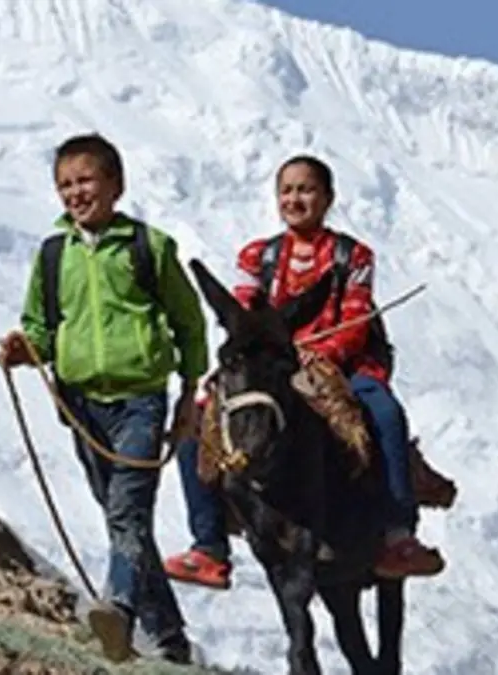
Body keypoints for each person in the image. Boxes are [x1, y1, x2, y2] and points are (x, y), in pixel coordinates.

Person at [164, 154, 445, 589]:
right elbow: (246, 314)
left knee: (385, 413)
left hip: (343, 365)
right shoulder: (258, 255)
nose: (295, 199)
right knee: (196, 426)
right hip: (272, 366)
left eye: (306, 189)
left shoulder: (354, 256)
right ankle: (209, 545)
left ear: (328, 198)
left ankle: (397, 532)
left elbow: (353, 320)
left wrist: (315, 353)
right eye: (287, 190)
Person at [0, 133, 208, 664]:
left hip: (141, 399)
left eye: (85, 180)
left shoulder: (148, 247)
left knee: (126, 511)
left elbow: (188, 322)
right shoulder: (52, 255)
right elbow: (41, 325)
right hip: (81, 404)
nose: (75, 193)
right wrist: (25, 349)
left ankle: (119, 612)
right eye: (65, 184)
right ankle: (172, 641)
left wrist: (189, 392)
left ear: (116, 184)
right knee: (123, 521)